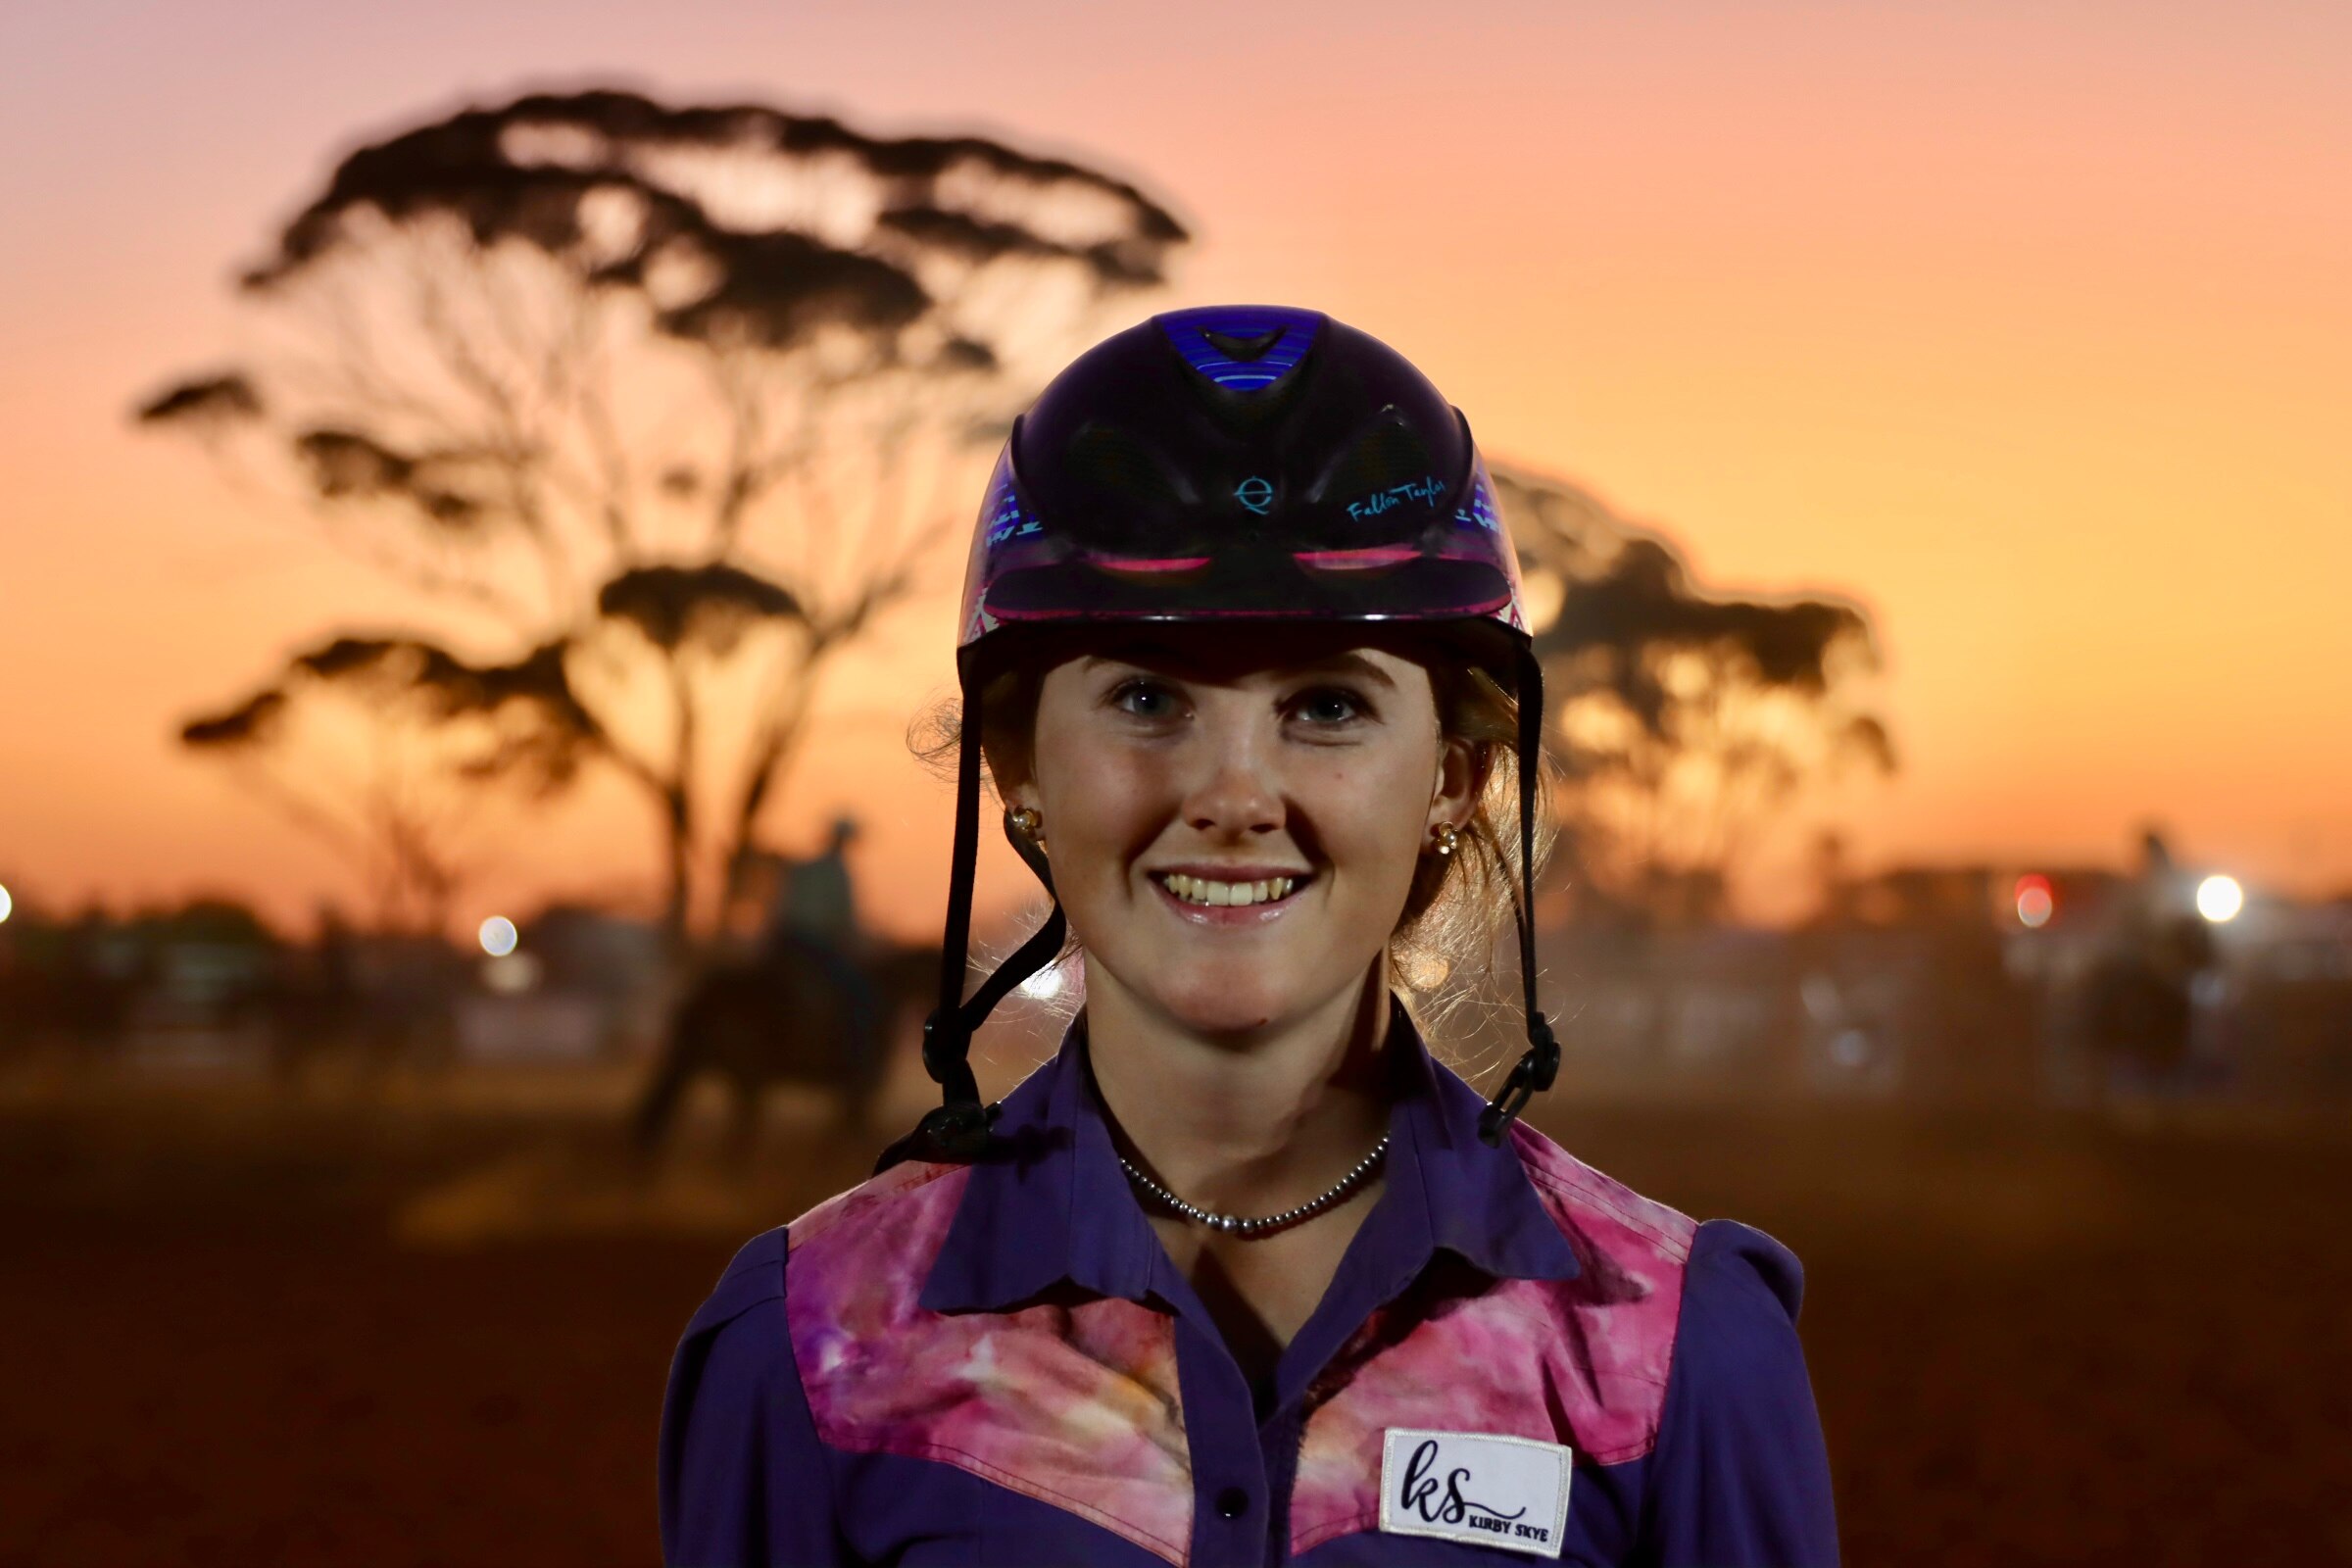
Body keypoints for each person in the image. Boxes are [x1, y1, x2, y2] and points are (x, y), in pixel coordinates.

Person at [659, 306, 1840, 1565]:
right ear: (1019, 770)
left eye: (1326, 703)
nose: (1232, 796)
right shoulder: (804, 1348)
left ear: (1453, 778)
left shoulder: (1674, 1347)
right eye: (1146, 695)